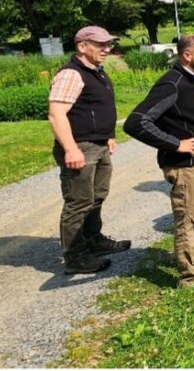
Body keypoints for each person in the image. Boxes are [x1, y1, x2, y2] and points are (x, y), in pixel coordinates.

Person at [123, 35, 194, 291]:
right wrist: (176, 144)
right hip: (188, 166)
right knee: (191, 218)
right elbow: (137, 122)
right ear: (187, 55)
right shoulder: (172, 83)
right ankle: (192, 278)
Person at [48, 26, 131, 275]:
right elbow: (56, 115)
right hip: (80, 146)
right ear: (82, 46)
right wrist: (71, 149)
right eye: (100, 45)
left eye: (109, 44)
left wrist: (108, 136)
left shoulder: (96, 72)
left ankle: (93, 240)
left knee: (97, 196)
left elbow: (93, 108)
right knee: (78, 202)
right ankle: (75, 257)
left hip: (98, 144)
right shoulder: (71, 74)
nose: (107, 49)